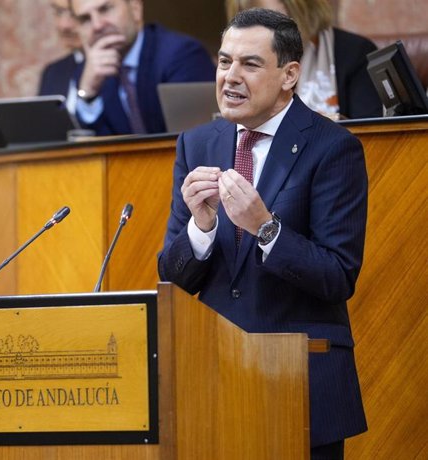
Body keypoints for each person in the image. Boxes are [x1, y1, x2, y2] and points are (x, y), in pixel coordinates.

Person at [158, 8, 367, 459]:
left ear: (289, 74)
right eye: (224, 61)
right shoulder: (196, 145)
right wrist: (202, 226)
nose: (230, 76)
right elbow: (171, 276)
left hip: (301, 384)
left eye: (250, 64)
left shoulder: (333, 148)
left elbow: (338, 275)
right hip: (214, 384)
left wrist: (266, 228)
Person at [70, 0, 215, 135]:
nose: (97, 25)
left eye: (106, 9)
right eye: (85, 19)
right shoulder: (89, 73)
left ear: (135, 8)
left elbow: (192, 139)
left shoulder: (181, 55)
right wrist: (88, 94)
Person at [226, 0, 383, 119]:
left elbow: (368, 132)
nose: (259, 34)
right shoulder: (237, 60)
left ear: (303, 9)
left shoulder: (355, 51)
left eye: (271, 24)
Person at [38, 0, 84, 115]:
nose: (64, 25)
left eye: (74, 13)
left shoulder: (120, 68)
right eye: (59, 12)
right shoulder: (53, 72)